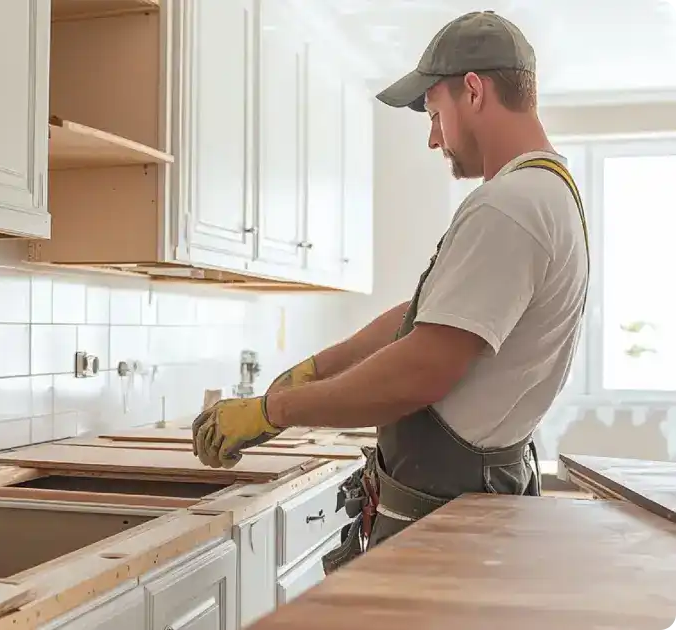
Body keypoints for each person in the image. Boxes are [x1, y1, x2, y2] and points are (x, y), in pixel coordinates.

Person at [191, 10, 589, 565]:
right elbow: (429, 316)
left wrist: (273, 409)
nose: (433, 139)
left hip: (445, 527)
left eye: (433, 114)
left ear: (473, 91)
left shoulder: (510, 206)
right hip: (457, 511)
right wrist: (319, 367)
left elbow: (419, 371)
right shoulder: (546, 192)